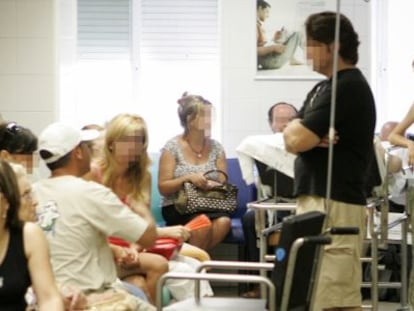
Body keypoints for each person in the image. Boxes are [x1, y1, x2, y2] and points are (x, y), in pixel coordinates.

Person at [283, 11, 376, 311]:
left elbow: (298, 140)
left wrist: (305, 133)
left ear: (332, 46)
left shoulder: (347, 87)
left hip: (335, 200)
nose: (306, 52)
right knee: (320, 292)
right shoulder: (323, 88)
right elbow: (291, 137)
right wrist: (304, 131)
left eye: (311, 44)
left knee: (334, 294)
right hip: (318, 199)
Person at [85, 113, 214, 302]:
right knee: (148, 278)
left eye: (138, 141)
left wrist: (134, 249)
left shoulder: (142, 177)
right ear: (111, 143)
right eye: (126, 140)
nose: (133, 147)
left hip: (134, 251)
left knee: (193, 268)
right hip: (102, 252)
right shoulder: (94, 174)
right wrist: (118, 251)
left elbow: (141, 226)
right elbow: (86, 227)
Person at [33, 122, 157, 311]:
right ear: (78, 153)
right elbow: (148, 238)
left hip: (48, 295)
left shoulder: (31, 193)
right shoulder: (92, 193)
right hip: (90, 297)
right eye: (87, 146)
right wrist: (142, 210)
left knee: (137, 289)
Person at [158, 92, 231, 251]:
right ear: (190, 120)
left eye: (211, 116)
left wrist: (212, 184)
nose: (210, 120)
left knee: (224, 222)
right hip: (178, 205)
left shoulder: (217, 147)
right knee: (202, 223)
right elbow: (163, 187)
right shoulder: (172, 147)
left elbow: (223, 181)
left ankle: (193, 263)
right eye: (205, 116)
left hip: (209, 202)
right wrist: (188, 178)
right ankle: (199, 267)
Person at [241, 102, 297, 298]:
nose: (284, 125)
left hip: (303, 203)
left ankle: (294, 285)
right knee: (250, 219)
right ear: (271, 124)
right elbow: (257, 183)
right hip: (273, 202)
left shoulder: (306, 145)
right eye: (280, 120)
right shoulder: (262, 148)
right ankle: (259, 282)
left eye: (290, 120)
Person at [0, 159, 64, 310]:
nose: (35, 202)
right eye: (26, 195)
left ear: (6, 202)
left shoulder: (29, 235)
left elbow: (49, 298)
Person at [257, 0, 303, 70]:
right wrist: (273, 47)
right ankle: (313, 58)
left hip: (268, 60)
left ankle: (292, 59)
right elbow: (253, 51)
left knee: (286, 34)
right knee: (298, 34)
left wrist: (273, 39)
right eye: (267, 11)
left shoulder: (257, 25)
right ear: (260, 8)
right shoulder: (254, 26)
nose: (268, 15)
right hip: (271, 62)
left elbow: (260, 44)